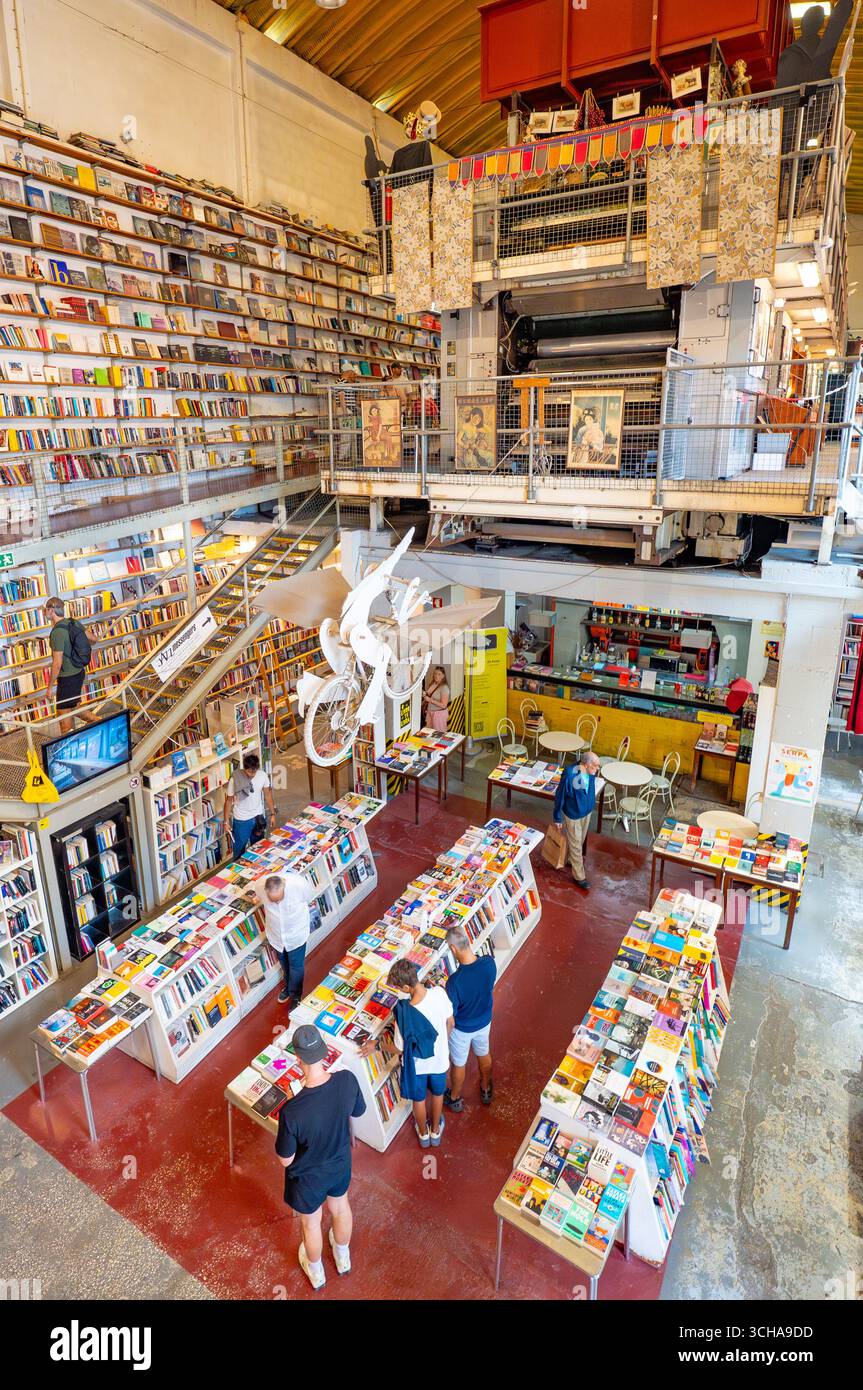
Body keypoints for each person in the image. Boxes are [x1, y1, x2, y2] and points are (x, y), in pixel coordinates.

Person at [275, 1023, 367, 1290]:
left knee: (311, 1224)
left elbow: (285, 1159)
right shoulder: (347, 1080)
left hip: (308, 1178)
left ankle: (316, 1272)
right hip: (339, 1164)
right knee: (341, 1208)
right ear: (324, 1053)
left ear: (298, 1058)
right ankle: (342, 1257)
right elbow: (357, 1112)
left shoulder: (292, 1111)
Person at [387, 957, 453, 1149]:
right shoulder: (439, 993)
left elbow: (399, 1048)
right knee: (438, 1094)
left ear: (407, 988)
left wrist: (378, 1045)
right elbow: (451, 1022)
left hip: (417, 1066)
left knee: (419, 1100)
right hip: (439, 1060)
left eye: (399, 988)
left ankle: (423, 1135)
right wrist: (443, 1043)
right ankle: (435, 1131)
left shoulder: (403, 1012)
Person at [443, 925, 495, 1112]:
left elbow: (452, 1015)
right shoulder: (489, 963)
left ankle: (455, 1097)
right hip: (484, 1021)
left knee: (459, 1063)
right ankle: (486, 1088)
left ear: (453, 949)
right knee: (484, 1052)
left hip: (462, 1029)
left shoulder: (454, 982)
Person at [255, 870, 316, 1007]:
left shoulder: (298, 884)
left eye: (279, 898)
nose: (276, 902)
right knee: (284, 963)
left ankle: (295, 995)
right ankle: (288, 987)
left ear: (284, 886)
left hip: (296, 934)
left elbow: (309, 897)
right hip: (276, 936)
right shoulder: (259, 886)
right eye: (273, 900)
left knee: (296, 966)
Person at [553, 748, 601, 891]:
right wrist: (557, 817)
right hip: (573, 814)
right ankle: (579, 877)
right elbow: (560, 795)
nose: (597, 769)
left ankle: (570, 860)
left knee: (578, 841)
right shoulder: (570, 774)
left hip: (586, 812)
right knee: (575, 845)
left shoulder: (590, 771)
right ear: (586, 765)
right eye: (595, 766)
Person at [45, 597, 89, 733]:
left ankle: (68, 745)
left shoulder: (57, 633)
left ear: (51, 611)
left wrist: (49, 687)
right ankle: (99, 722)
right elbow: (93, 638)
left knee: (64, 719)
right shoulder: (73, 622)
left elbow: (57, 664)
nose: (45, 612)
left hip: (68, 678)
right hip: (79, 672)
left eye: (45, 610)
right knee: (75, 708)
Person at [223, 751, 275, 858]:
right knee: (238, 850)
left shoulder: (263, 776)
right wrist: (226, 821)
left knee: (259, 849)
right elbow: (228, 801)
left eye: (253, 772)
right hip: (241, 819)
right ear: (244, 768)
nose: (251, 775)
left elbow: (267, 795)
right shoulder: (235, 779)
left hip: (258, 817)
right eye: (248, 772)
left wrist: (273, 813)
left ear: (257, 768)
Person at [335, 368, 360, 464]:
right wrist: (345, 412)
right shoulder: (341, 382)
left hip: (348, 411)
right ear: (348, 372)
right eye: (353, 373)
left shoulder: (343, 382)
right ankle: (342, 457)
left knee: (349, 435)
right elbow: (341, 397)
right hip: (345, 412)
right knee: (346, 435)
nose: (355, 376)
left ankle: (348, 456)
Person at [422, 665, 449, 731]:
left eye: (439, 674)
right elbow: (429, 694)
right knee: (429, 733)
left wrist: (430, 700)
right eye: (435, 674)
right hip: (430, 712)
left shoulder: (444, 688)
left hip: (439, 714)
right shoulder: (433, 683)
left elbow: (444, 705)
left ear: (443, 676)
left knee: (439, 734)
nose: (436, 676)